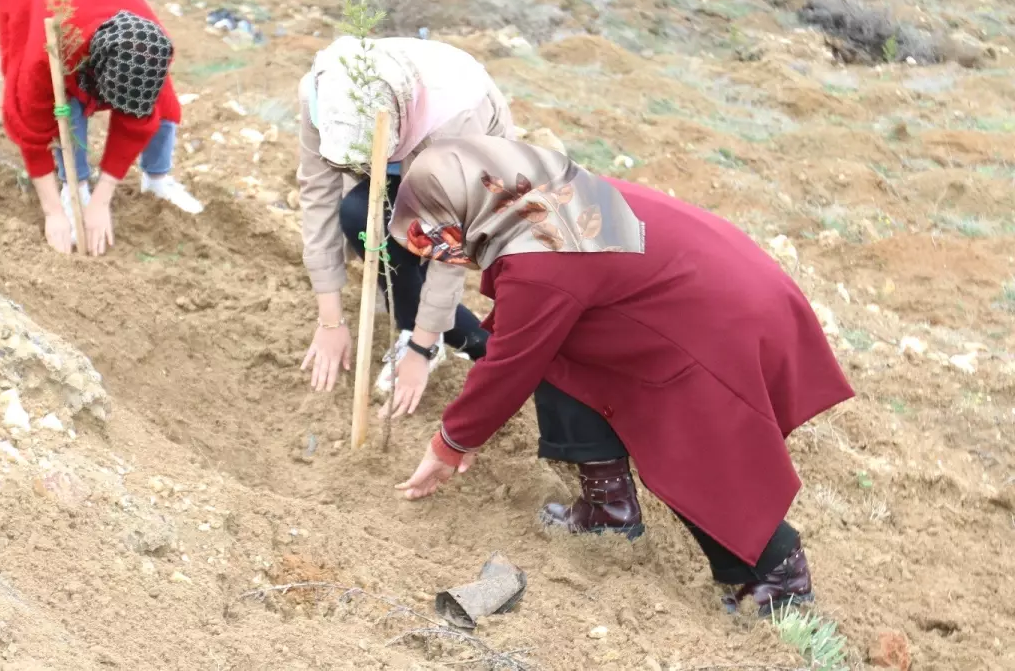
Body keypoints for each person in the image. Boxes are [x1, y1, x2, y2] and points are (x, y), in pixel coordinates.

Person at [388, 136, 855, 616]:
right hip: (706, 285)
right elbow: (525, 337)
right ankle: (608, 508)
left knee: (693, 449)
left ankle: (779, 574)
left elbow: (509, 362)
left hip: (721, 316)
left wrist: (450, 444)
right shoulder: (532, 197)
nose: (439, 252)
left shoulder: (541, 253)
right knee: (560, 350)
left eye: (438, 235)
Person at [297, 36, 518, 406]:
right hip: (398, 149)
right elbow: (317, 195)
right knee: (357, 215)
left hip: (460, 154)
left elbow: (451, 243)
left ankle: (445, 336)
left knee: (420, 236)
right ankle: (408, 304)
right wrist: (330, 321)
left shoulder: (458, 121)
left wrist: (421, 347)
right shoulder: (321, 95)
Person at [0, 0, 203, 256]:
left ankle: (157, 180)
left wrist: (103, 198)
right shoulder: (49, 56)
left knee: (162, 104)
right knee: (64, 106)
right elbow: (31, 133)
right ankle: (72, 186)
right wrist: (55, 212)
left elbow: (140, 119)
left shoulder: (147, 46)